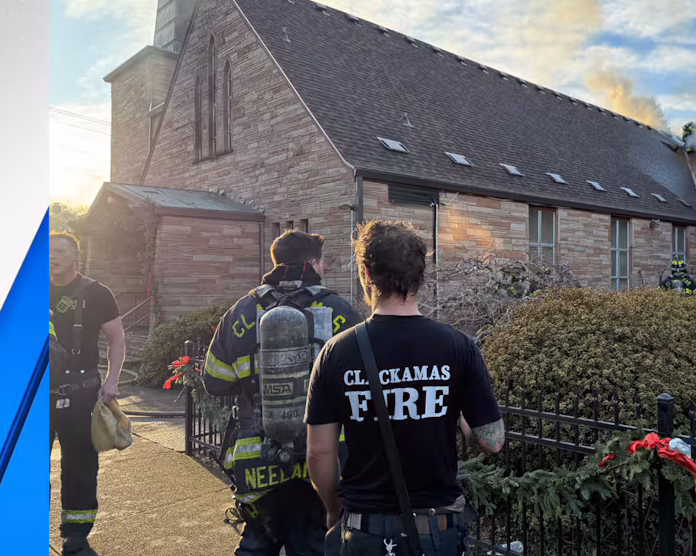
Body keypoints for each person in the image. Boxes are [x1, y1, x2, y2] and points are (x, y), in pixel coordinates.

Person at [306, 221, 505, 555]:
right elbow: (492, 442)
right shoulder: (458, 347)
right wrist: (450, 408)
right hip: (437, 534)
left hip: (364, 532)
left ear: (366, 275)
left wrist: (332, 509)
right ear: (419, 276)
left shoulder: (336, 352)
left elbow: (319, 452)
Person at [203, 230, 364, 556]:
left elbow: (214, 381)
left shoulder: (241, 312)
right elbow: (363, 386)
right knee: (316, 545)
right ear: (314, 263)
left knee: (257, 543)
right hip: (326, 463)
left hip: (256, 460)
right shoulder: (341, 311)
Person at [49, 231, 124, 556]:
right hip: (34, 397)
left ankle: (76, 536)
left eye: (61, 250)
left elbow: (117, 339)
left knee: (80, 466)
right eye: (48, 251)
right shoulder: (24, 292)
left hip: (81, 394)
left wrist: (111, 382)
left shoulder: (97, 293)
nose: (53, 255)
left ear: (75, 256)